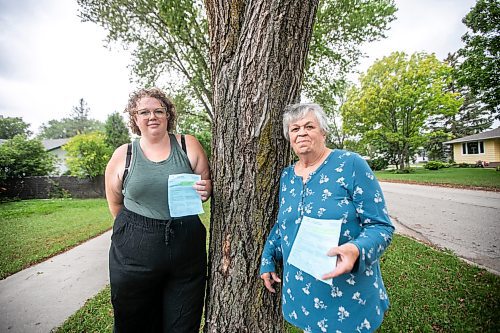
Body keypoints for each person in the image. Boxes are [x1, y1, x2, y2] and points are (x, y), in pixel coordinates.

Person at [260, 103, 394, 333]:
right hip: (303, 292)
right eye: (295, 129)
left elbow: (380, 226)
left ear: (323, 132)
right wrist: (268, 257)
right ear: (289, 137)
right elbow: (285, 223)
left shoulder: (350, 164)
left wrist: (356, 249)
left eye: (309, 126)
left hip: (349, 295)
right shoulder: (287, 177)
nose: (301, 132)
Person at [105, 87, 211, 332]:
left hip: (186, 248)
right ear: (134, 118)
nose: (152, 116)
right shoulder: (124, 155)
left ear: (168, 115)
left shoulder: (188, 145)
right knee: (135, 322)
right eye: (144, 112)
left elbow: (205, 186)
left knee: (183, 323)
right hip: (134, 252)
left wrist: (205, 191)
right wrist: (138, 234)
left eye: (158, 111)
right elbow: (115, 203)